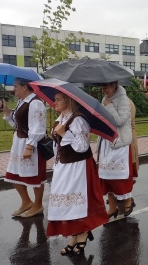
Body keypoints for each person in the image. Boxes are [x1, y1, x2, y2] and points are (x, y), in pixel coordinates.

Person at [46, 92, 108, 256]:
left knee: (76, 202)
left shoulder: (78, 120)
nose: (55, 102)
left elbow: (82, 147)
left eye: (58, 99)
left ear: (68, 100)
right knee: (67, 203)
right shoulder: (61, 119)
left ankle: (82, 233)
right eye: (55, 99)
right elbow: (57, 146)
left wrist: (64, 134)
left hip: (78, 167)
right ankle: (76, 235)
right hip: (64, 166)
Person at [0, 78, 47, 218]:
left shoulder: (35, 103)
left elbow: (38, 128)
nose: (14, 89)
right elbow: (18, 125)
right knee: (14, 173)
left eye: (15, 86)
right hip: (19, 143)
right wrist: (6, 111)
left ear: (25, 87)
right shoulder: (22, 102)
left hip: (31, 144)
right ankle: (26, 201)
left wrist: (29, 146)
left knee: (35, 175)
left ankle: (38, 205)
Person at [98, 81, 135, 218]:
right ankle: (112, 207)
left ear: (114, 86)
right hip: (107, 141)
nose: (104, 90)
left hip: (119, 143)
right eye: (102, 87)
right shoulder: (105, 99)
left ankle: (128, 200)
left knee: (118, 178)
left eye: (106, 87)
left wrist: (109, 107)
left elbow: (120, 121)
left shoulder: (123, 99)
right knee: (106, 178)